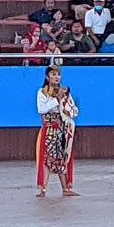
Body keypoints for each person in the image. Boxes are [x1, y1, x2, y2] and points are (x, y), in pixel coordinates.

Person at [36, 66, 80, 197]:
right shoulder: (43, 92)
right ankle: (43, 188)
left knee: (62, 157)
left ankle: (65, 188)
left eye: (58, 74)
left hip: (62, 128)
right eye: (53, 74)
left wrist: (69, 112)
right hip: (50, 128)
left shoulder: (65, 92)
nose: (56, 77)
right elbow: (42, 109)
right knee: (47, 158)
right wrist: (57, 99)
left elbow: (73, 109)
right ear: (47, 77)